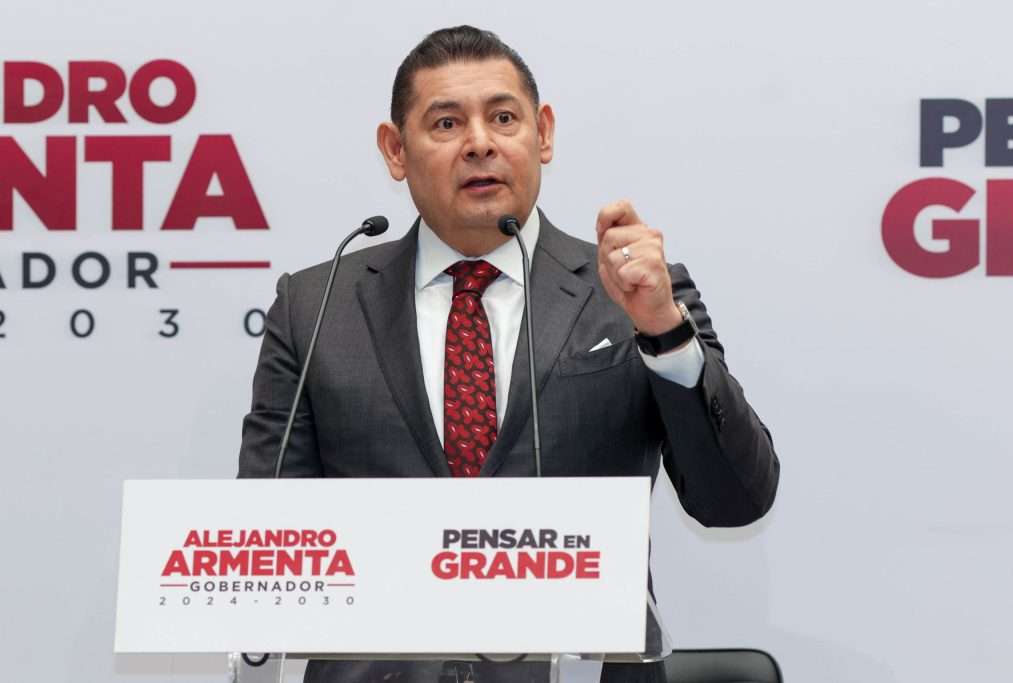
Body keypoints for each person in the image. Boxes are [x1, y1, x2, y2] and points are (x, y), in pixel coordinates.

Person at [239, 25, 780, 683]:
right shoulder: (315, 306)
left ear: (542, 133)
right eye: (446, 123)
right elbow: (265, 541)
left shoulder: (635, 295)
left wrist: (664, 332)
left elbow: (735, 500)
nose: (480, 143)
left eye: (503, 118)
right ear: (395, 150)